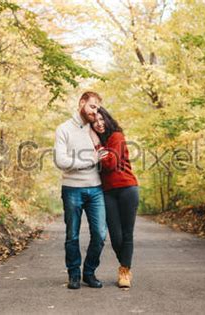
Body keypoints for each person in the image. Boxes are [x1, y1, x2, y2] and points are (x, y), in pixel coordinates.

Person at [53, 91, 108, 290]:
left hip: (96, 190)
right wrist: (90, 161)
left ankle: (89, 272)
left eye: (98, 109)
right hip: (72, 189)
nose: (95, 112)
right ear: (82, 103)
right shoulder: (63, 129)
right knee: (72, 235)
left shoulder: (95, 129)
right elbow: (61, 161)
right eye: (92, 107)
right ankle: (74, 274)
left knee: (100, 234)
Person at [89, 106, 139, 288]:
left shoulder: (116, 137)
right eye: (95, 122)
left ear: (108, 119)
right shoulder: (98, 143)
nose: (99, 124)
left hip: (127, 188)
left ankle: (124, 271)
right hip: (108, 192)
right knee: (116, 236)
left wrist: (97, 146)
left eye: (102, 120)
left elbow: (110, 163)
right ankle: (126, 265)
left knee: (127, 234)